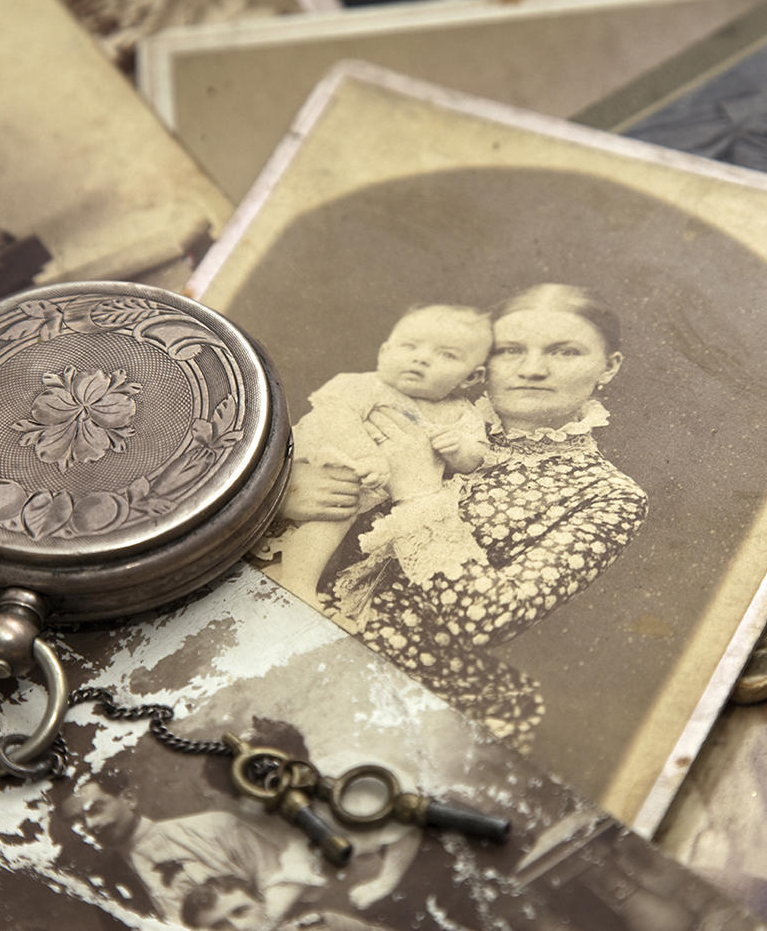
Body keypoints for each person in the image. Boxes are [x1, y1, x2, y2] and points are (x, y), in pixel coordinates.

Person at [265, 284, 648, 750]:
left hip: (401, 701)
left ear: (609, 367)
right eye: (511, 350)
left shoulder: (606, 494)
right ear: (483, 364)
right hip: (273, 633)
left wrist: (419, 492)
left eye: (565, 351)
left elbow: (489, 617)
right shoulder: (406, 403)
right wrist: (279, 494)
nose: (532, 369)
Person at [268, 303, 492, 610]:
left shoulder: (463, 414)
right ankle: (297, 582)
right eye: (409, 346)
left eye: (446, 355)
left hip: (371, 492)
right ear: (385, 352)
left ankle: (292, 575)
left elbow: (476, 458)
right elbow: (337, 418)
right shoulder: (364, 385)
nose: (421, 358)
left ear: (471, 376)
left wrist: (459, 450)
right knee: (335, 509)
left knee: (340, 526)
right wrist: (366, 456)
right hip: (323, 464)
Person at [62, 773, 323, 927]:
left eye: (95, 809)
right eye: (77, 821)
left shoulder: (215, 826)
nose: (90, 825)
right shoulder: (107, 882)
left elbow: (286, 879)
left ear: (128, 798)